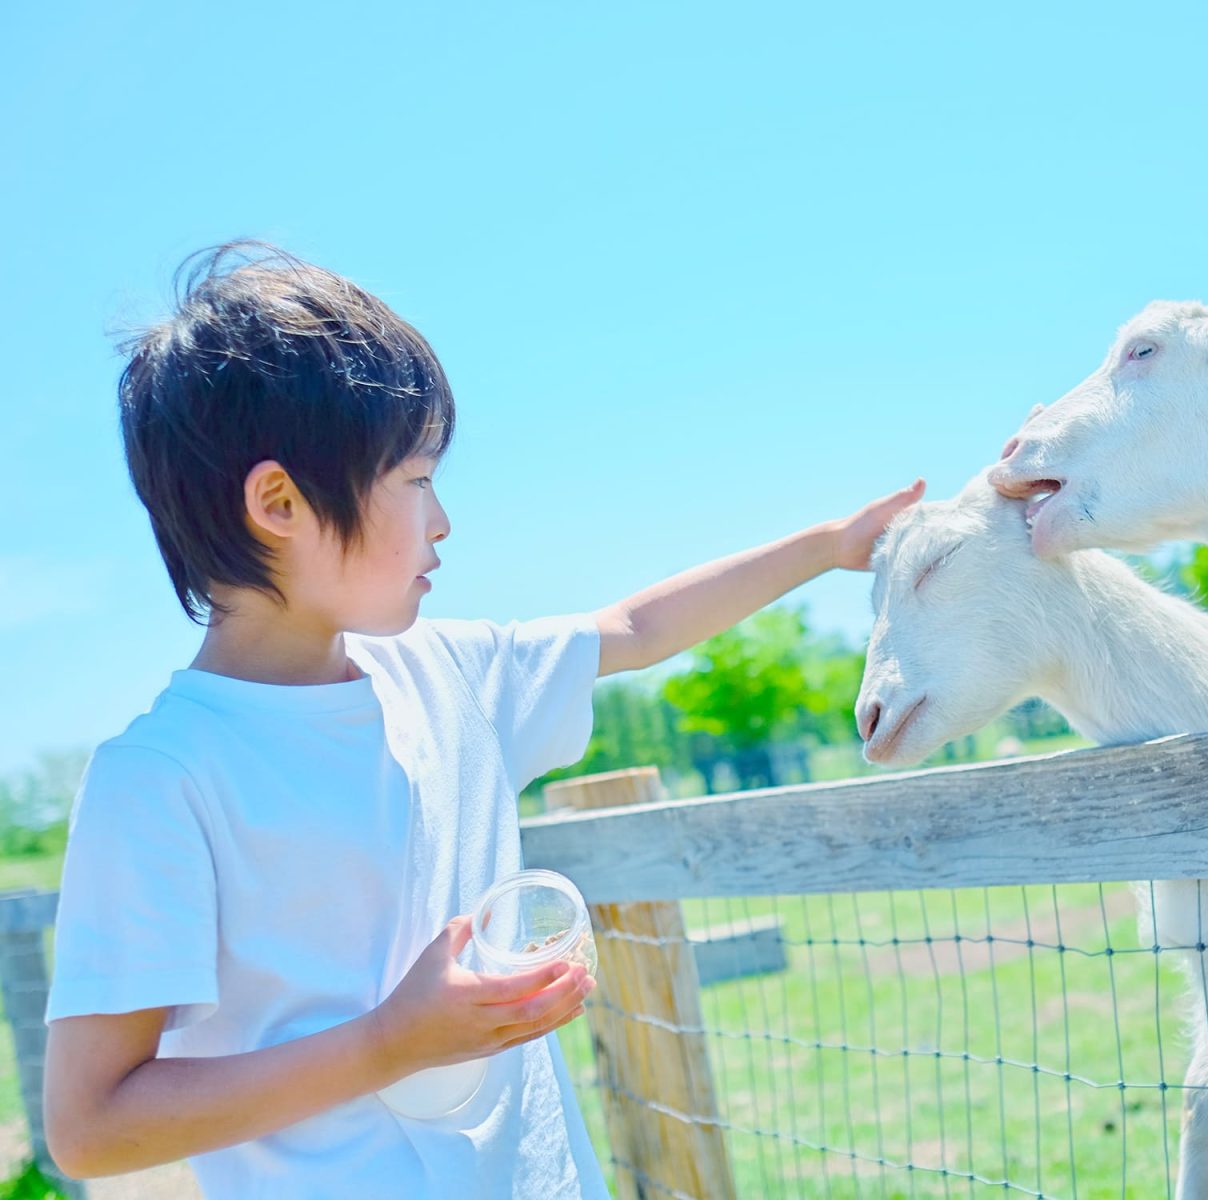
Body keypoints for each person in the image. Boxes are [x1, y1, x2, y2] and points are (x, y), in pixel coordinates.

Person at [40, 245, 923, 1199]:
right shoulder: (162, 778)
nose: (444, 520)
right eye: (416, 481)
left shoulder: (452, 675)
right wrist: (390, 1043)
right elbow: (92, 1127)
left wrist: (830, 546)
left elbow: (634, 626)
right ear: (279, 502)